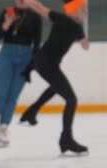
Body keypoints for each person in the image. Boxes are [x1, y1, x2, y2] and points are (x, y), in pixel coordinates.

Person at [21, 0, 90, 153]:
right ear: (73, 10)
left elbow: (39, 8)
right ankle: (66, 139)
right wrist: (83, 35)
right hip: (47, 64)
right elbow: (86, 46)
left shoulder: (64, 20)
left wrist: (27, 1)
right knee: (71, 100)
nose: (85, 12)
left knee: (56, 88)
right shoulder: (73, 25)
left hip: (42, 62)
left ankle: (31, 112)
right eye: (82, 9)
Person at [0, 0, 42, 147]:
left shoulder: (35, 17)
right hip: (6, 55)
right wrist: (7, 23)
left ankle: (4, 127)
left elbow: (37, 43)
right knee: (1, 93)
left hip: (25, 58)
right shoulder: (7, 12)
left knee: (13, 95)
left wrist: (32, 64)